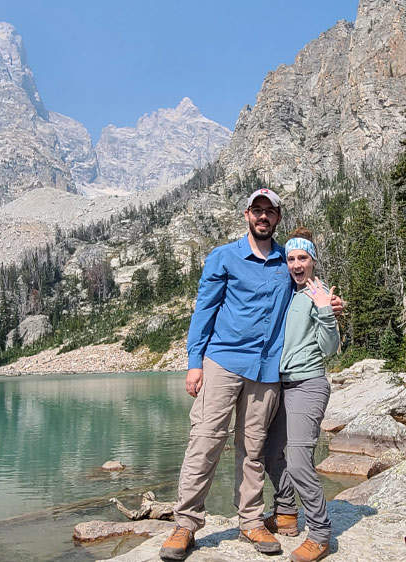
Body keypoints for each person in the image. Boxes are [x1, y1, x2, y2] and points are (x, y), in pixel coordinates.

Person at [159, 189, 342, 561]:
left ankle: (251, 520)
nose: (263, 216)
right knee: (205, 441)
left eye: (269, 211)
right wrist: (195, 363)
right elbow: (204, 311)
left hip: (266, 372)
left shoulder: (284, 261)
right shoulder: (223, 256)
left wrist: (328, 302)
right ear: (247, 215)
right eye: (257, 210)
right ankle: (186, 523)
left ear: (277, 218)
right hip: (223, 362)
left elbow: (309, 287)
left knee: (253, 450)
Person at [262, 228, 339, 562]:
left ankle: (320, 534)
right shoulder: (289, 293)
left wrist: (326, 308)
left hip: (308, 385)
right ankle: (287, 514)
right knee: (268, 452)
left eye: (302, 258)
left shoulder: (316, 294)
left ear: (313, 261)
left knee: (298, 461)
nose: (296, 264)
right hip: (281, 386)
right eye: (291, 258)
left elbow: (330, 348)